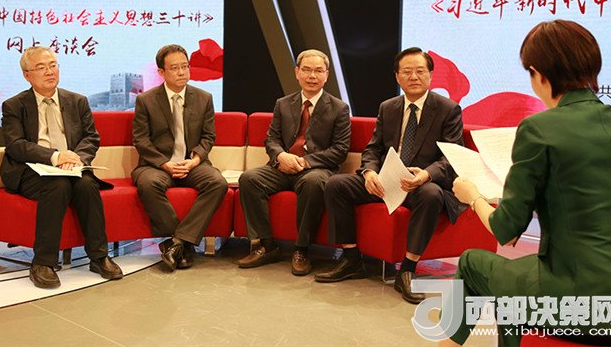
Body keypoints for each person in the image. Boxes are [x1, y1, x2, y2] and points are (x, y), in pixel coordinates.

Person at [442, 20, 611, 347]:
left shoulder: (538, 129)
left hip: (579, 299)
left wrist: (473, 196)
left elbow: (506, 230)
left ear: (538, 74)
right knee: (516, 285)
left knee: (473, 264)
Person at [315, 47, 464, 304]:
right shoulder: (388, 107)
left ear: (431, 75)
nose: (414, 77)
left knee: (431, 194)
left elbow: (452, 156)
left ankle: (407, 269)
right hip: (387, 180)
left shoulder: (448, 109)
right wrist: (369, 172)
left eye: (420, 71)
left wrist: (426, 175)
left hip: (420, 184)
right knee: (336, 184)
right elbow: (373, 148)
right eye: (407, 71)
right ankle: (352, 259)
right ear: (397, 76)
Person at [0, 46, 123, 288]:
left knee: (86, 185)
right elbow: (16, 145)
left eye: (53, 65)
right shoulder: (14, 105)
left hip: (71, 167)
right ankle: (43, 262)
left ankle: (99, 256)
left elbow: (91, 137)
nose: (49, 72)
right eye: (41, 67)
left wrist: (76, 158)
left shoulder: (77, 101)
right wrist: (55, 157)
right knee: (57, 185)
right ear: (27, 75)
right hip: (30, 170)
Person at [237, 49, 351, 275]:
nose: (312, 76)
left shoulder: (339, 108)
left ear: (326, 75)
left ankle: (302, 249)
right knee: (249, 179)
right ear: (297, 73)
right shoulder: (283, 103)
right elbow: (271, 139)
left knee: (313, 183)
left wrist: (305, 162)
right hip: (282, 167)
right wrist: (281, 156)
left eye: (318, 71)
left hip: (315, 169)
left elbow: (340, 150)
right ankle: (266, 245)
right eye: (306, 70)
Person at [132, 44, 228, 271]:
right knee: (148, 184)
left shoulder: (204, 98)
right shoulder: (146, 100)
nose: (182, 72)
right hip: (157, 165)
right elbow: (141, 140)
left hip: (192, 163)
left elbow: (208, 137)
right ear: (161, 72)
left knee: (217, 183)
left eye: (185, 66)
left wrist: (195, 160)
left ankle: (177, 243)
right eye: (175, 68)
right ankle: (184, 246)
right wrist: (165, 164)